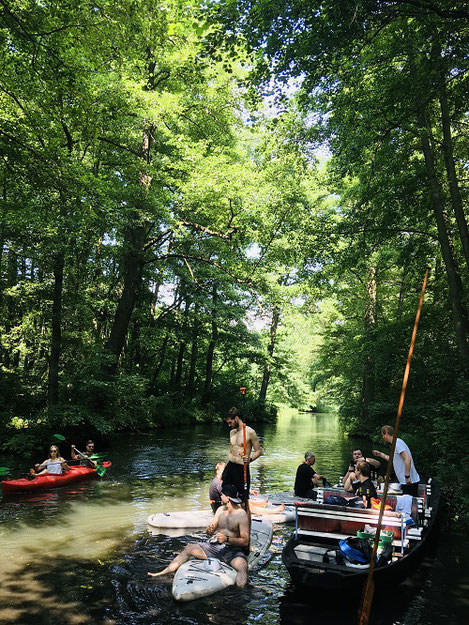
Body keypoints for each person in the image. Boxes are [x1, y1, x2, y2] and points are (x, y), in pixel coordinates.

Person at [147, 485, 250, 587]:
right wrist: (209, 530)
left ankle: (240, 593)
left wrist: (227, 539)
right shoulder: (220, 510)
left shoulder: (241, 515)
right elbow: (211, 529)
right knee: (189, 548)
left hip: (233, 551)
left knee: (243, 567)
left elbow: (245, 541)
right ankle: (162, 573)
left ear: (227, 498)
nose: (220, 497)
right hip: (217, 548)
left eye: (222, 495)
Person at [222, 407, 262, 504]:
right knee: (225, 491)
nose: (229, 425)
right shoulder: (232, 432)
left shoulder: (250, 432)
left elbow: (259, 451)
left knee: (243, 496)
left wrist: (250, 459)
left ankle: (245, 515)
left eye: (230, 422)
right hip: (230, 465)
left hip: (241, 467)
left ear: (236, 419)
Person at [372, 425, 420, 496]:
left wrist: (407, 476)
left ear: (387, 434)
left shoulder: (397, 444)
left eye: (383, 435)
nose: (383, 437)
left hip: (409, 481)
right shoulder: (396, 443)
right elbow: (392, 460)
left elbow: (407, 459)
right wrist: (380, 454)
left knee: (409, 503)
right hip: (405, 481)